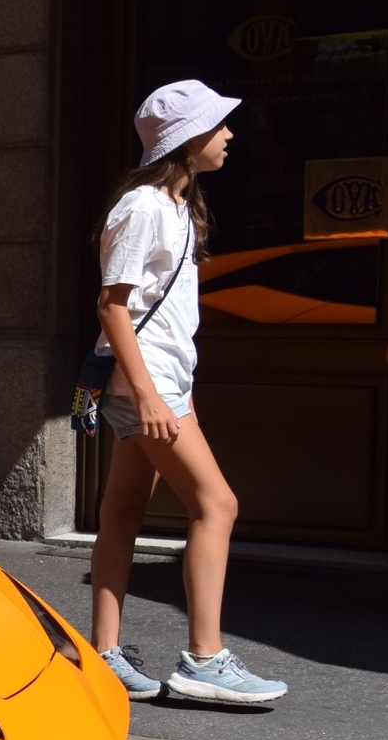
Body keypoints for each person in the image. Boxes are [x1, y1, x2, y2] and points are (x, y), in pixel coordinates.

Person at [87, 80, 289, 707]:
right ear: (187, 139)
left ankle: (104, 654)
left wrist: (175, 391)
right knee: (218, 505)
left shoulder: (177, 207)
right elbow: (112, 307)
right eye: (219, 125)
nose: (230, 135)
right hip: (143, 384)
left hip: (159, 381)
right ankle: (205, 658)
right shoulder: (144, 207)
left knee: (122, 511)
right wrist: (149, 395)